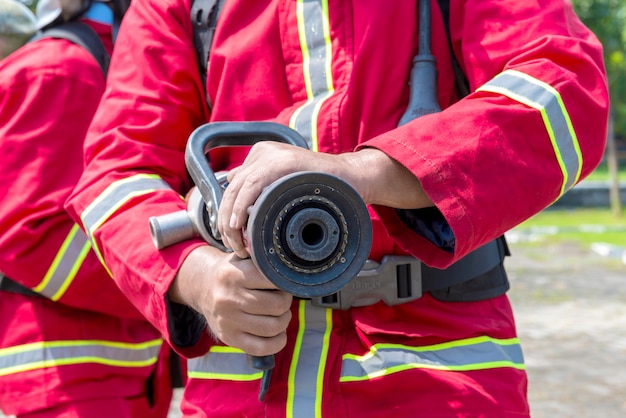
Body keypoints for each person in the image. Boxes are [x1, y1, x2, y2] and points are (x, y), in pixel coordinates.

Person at [66, 0, 609, 416]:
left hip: (434, 378)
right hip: (245, 385)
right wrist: (197, 278)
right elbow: (116, 172)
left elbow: (564, 88)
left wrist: (362, 173)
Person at [0, 1, 176, 417]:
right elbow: (29, 232)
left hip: (111, 377)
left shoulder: (100, 66)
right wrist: (171, 284)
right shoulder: (63, 70)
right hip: (69, 379)